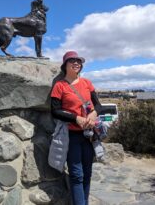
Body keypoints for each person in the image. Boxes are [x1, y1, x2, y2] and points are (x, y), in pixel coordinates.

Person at [50, 51, 103, 205]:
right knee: (76, 174)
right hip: (72, 135)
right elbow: (55, 111)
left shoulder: (87, 83)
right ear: (65, 65)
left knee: (87, 174)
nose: (76, 63)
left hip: (89, 135)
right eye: (72, 60)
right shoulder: (59, 86)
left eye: (79, 61)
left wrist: (93, 115)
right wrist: (76, 118)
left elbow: (98, 105)